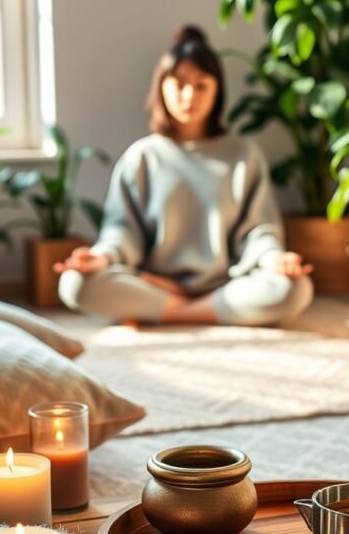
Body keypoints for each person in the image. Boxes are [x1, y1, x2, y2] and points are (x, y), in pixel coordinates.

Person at [56, 25, 314, 326]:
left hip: (228, 287)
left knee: (295, 289)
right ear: (161, 87)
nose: (189, 95)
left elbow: (259, 231)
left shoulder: (244, 155)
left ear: (217, 90)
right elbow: (122, 231)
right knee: (75, 284)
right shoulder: (142, 157)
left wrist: (274, 259)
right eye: (178, 84)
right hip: (154, 283)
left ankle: (172, 312)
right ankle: (205, 311)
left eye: (201, 85)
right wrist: (101, 257)